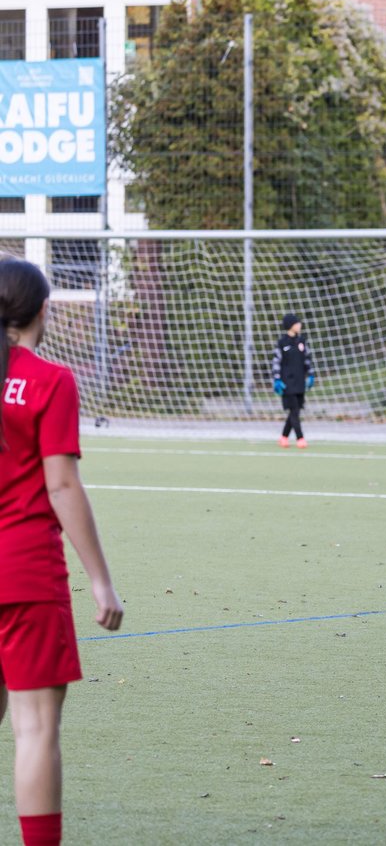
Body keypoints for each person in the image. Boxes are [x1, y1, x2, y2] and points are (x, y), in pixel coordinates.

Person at [1, 258, 125, 846]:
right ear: (41, 312)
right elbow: (62, 485)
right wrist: (101, 579)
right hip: (24, 575)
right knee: (35, 731)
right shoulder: (50, 380)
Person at [272, 313, 315, 448]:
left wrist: (311, 375)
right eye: (297, 323)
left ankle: (283, 437)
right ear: (291, 325)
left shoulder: (302, 341)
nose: (299, 325)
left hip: (300, 382)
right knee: (294, 410)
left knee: (295, 411)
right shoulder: (282, 343)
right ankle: (300, 439)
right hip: (287, 383)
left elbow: (307, 359)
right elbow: (276, 362)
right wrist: (277, 379)